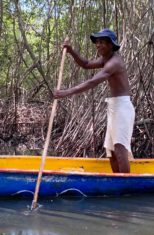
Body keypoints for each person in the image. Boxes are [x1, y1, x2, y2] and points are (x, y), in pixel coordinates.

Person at [54, 28, 135, 173]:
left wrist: (66, 92)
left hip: (123, 107)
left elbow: (93, 82)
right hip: (115, 106)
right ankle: (117, 181)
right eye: (97, 42)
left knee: (120, 149)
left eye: (102, 42)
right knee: (111, 150)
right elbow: (85, 64)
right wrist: (71, 50)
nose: (98, 45)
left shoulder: (114, 62)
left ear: (111, 45)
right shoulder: (106, 59)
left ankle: (125, 185)